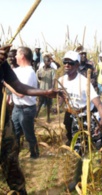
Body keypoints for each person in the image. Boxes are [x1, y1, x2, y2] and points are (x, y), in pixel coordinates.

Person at [0, 45, 59, 195]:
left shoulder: (2, 64)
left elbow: (18, 86)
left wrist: (45, 92)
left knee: (11, 158)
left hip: (3, 122)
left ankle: (20, 190)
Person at [58, 50, 102, 192]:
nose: (67, 65)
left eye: (71, 63)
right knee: (75, 146)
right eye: (65, 62)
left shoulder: (84, 81)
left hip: (84, 116)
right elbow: (61, 99)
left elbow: (97, 102)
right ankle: (77, 176)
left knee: (96, 143)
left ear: (77, 65)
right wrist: (58, 101)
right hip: (70, 116)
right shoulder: (61, 80)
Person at [11, 47, 39, 159]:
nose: (15, 57)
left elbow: (21, 93)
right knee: (15, 134)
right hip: (16, 108)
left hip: (27, 109)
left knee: (29, 134)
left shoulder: (30, 72)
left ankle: (35, 154)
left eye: (17, 54)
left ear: (22, 56)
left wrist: (7, 85)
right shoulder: (16, 70)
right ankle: (15, 155)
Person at [36, 54, 55, 123]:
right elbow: (38, 79)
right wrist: (39, 77)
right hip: (41, 90)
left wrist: (52, 88)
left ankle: (48, 118)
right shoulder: (40, 70)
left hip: (49, 90)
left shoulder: (52, 70)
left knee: (48, 104)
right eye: (47, 61)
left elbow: (53, 80)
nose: (49, 63)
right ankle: (35, 117)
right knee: (39, 104)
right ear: (44, 62)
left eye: (49, 61)